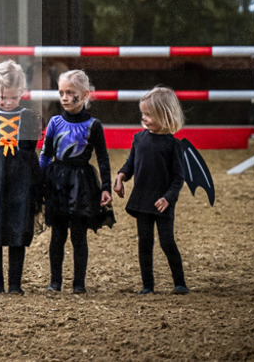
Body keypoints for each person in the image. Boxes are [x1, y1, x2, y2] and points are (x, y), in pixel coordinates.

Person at [0, 60, 45, 295]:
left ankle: (15, 284)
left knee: (18, 227)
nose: (8, 102)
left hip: (20, 180)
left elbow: (31, 149)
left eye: (13, 98)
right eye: (3, 97)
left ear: (22, 92)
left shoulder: (29, 117)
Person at [39, 69, 114, 294]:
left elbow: (103, 158)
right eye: (61, 92)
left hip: (82, 183)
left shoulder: (93, 125)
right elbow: (45, 154)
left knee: (79, 236)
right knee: (58, 235)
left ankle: (79, 283)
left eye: (70, 92)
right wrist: (40, 181)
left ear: (84, 94)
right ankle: (55, 281)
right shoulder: (54, 122)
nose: (64, 97)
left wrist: (106, 187)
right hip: (57, 181)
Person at [113, 87, 190, 295]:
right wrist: (120, 177)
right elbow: (130, 164)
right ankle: (147, 286)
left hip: (163, 204)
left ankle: (180, 283)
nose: (144, 118)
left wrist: (168, 198)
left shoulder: (173, 145)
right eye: (143, 114)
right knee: (145, 244)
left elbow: (178, 178)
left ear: (165, 115)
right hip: (142, 201)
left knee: (167, 242)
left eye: (149, 114)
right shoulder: (139, 139)